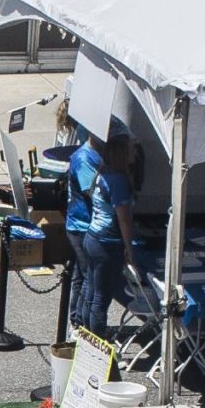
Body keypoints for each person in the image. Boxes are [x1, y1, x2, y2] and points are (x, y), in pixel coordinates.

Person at [65, 128, 138, 337]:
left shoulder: (102, 172)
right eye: (132, 149)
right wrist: (129, 249)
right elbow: (123, 219)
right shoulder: (117, 179)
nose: (136, 153)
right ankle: (95, 343)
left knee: (89, 289)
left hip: (93, 236)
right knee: (100, 297)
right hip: (105, 240)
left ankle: (84, 335)